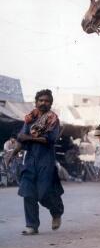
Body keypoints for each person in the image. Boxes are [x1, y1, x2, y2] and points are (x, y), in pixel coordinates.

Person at [13, 89, 64, 235]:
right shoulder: (30, 119)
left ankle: (56, 211)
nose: (43, 103)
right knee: (28, 193)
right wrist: (12, 155)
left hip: (45, 160)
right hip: (30, 160)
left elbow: (49, 139)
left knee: (44, 193)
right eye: (41, 100)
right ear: (36, 102)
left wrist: (29, 138)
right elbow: (21, 138)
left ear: (51, 103)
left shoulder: (53, 119)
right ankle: (32, 225)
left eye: (46, 101)